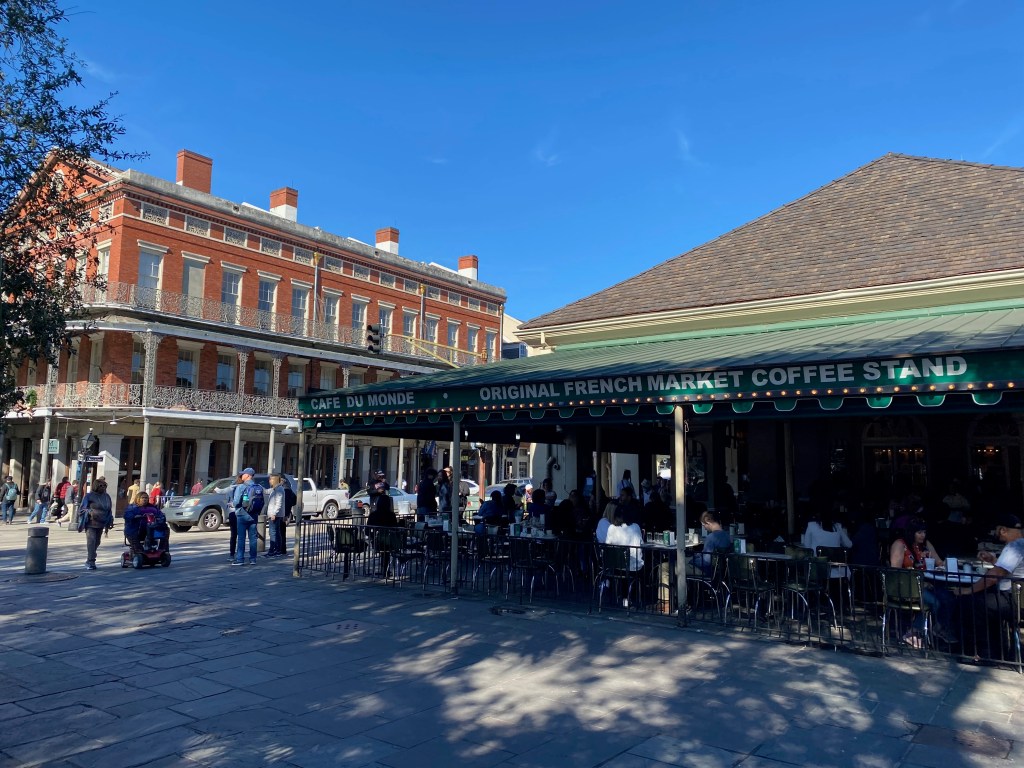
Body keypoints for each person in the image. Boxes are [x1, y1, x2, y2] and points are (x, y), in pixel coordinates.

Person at [954, 514, 1024, 661]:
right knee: (983, 602)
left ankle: (984, 652)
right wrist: (994, 560)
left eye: (998, 529)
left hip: (1012, 599)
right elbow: (1007, 569)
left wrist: (969, 590)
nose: (996, 533)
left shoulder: (1014, 546)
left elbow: (994, 576)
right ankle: (997, 649)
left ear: (1003, 530)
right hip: (1017, 599)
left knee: (970, 603)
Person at [889, 519, 956, 646]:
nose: (922, 535)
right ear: (911, 532)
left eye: (924, 532)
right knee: (935, 602)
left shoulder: (925, 544)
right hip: (906, 585)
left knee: (949, 597)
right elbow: (896, 571)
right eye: (919, 532)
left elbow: (939, 563)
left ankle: (939, 627)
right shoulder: (900, 544)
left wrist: (945, 563)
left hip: (927, 582)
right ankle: (913, 631)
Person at [78, 476, 113, 570]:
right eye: (101, 485)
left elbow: (109, 509)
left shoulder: (107, 496)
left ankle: (92, 555)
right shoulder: (89, 496)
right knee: (91, 541)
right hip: (91, 523)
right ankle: (91, 561)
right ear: (96, 486)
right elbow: (82, 509)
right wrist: (90, 512)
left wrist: (110, 519)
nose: (103, 487)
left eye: (104, 486)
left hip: (102, 522)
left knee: (97, 542)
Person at [231, 468, 263, 565]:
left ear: (248, 475)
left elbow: (236, 502)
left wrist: (232, 504)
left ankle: (240, 559)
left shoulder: (241, 487)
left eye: (243, 474)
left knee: (241, 538)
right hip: (254, 515)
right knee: (253, 538)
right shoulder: (258, 487)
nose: (242, 476)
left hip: (242, 514)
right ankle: (253, 559)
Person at [688, 510, 732, 577]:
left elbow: (706, 561)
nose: (704, 528)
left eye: (703, 525)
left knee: (668, 566)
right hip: (720, 571)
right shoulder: (727, 536)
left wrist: (691, 561)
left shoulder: (711, 537)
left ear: (708, 522)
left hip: (707, 571)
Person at [604, 508, 644, 572]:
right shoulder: (635, 526)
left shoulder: (611, 528)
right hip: (634, 566)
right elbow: (641, 544)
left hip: (616, 565)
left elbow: (608, 545)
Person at [265, 474, 286, 557]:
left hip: (275, 515)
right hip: (274, 514)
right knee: (276, 532)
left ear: (274, 480)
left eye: (270, 479)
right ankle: (277, 550)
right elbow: (266, 491)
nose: (269, 481)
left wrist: (274, 513)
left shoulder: (279, 489)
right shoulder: (274, 489)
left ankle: (273, 550)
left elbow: (278, 503)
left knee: (273, 532)